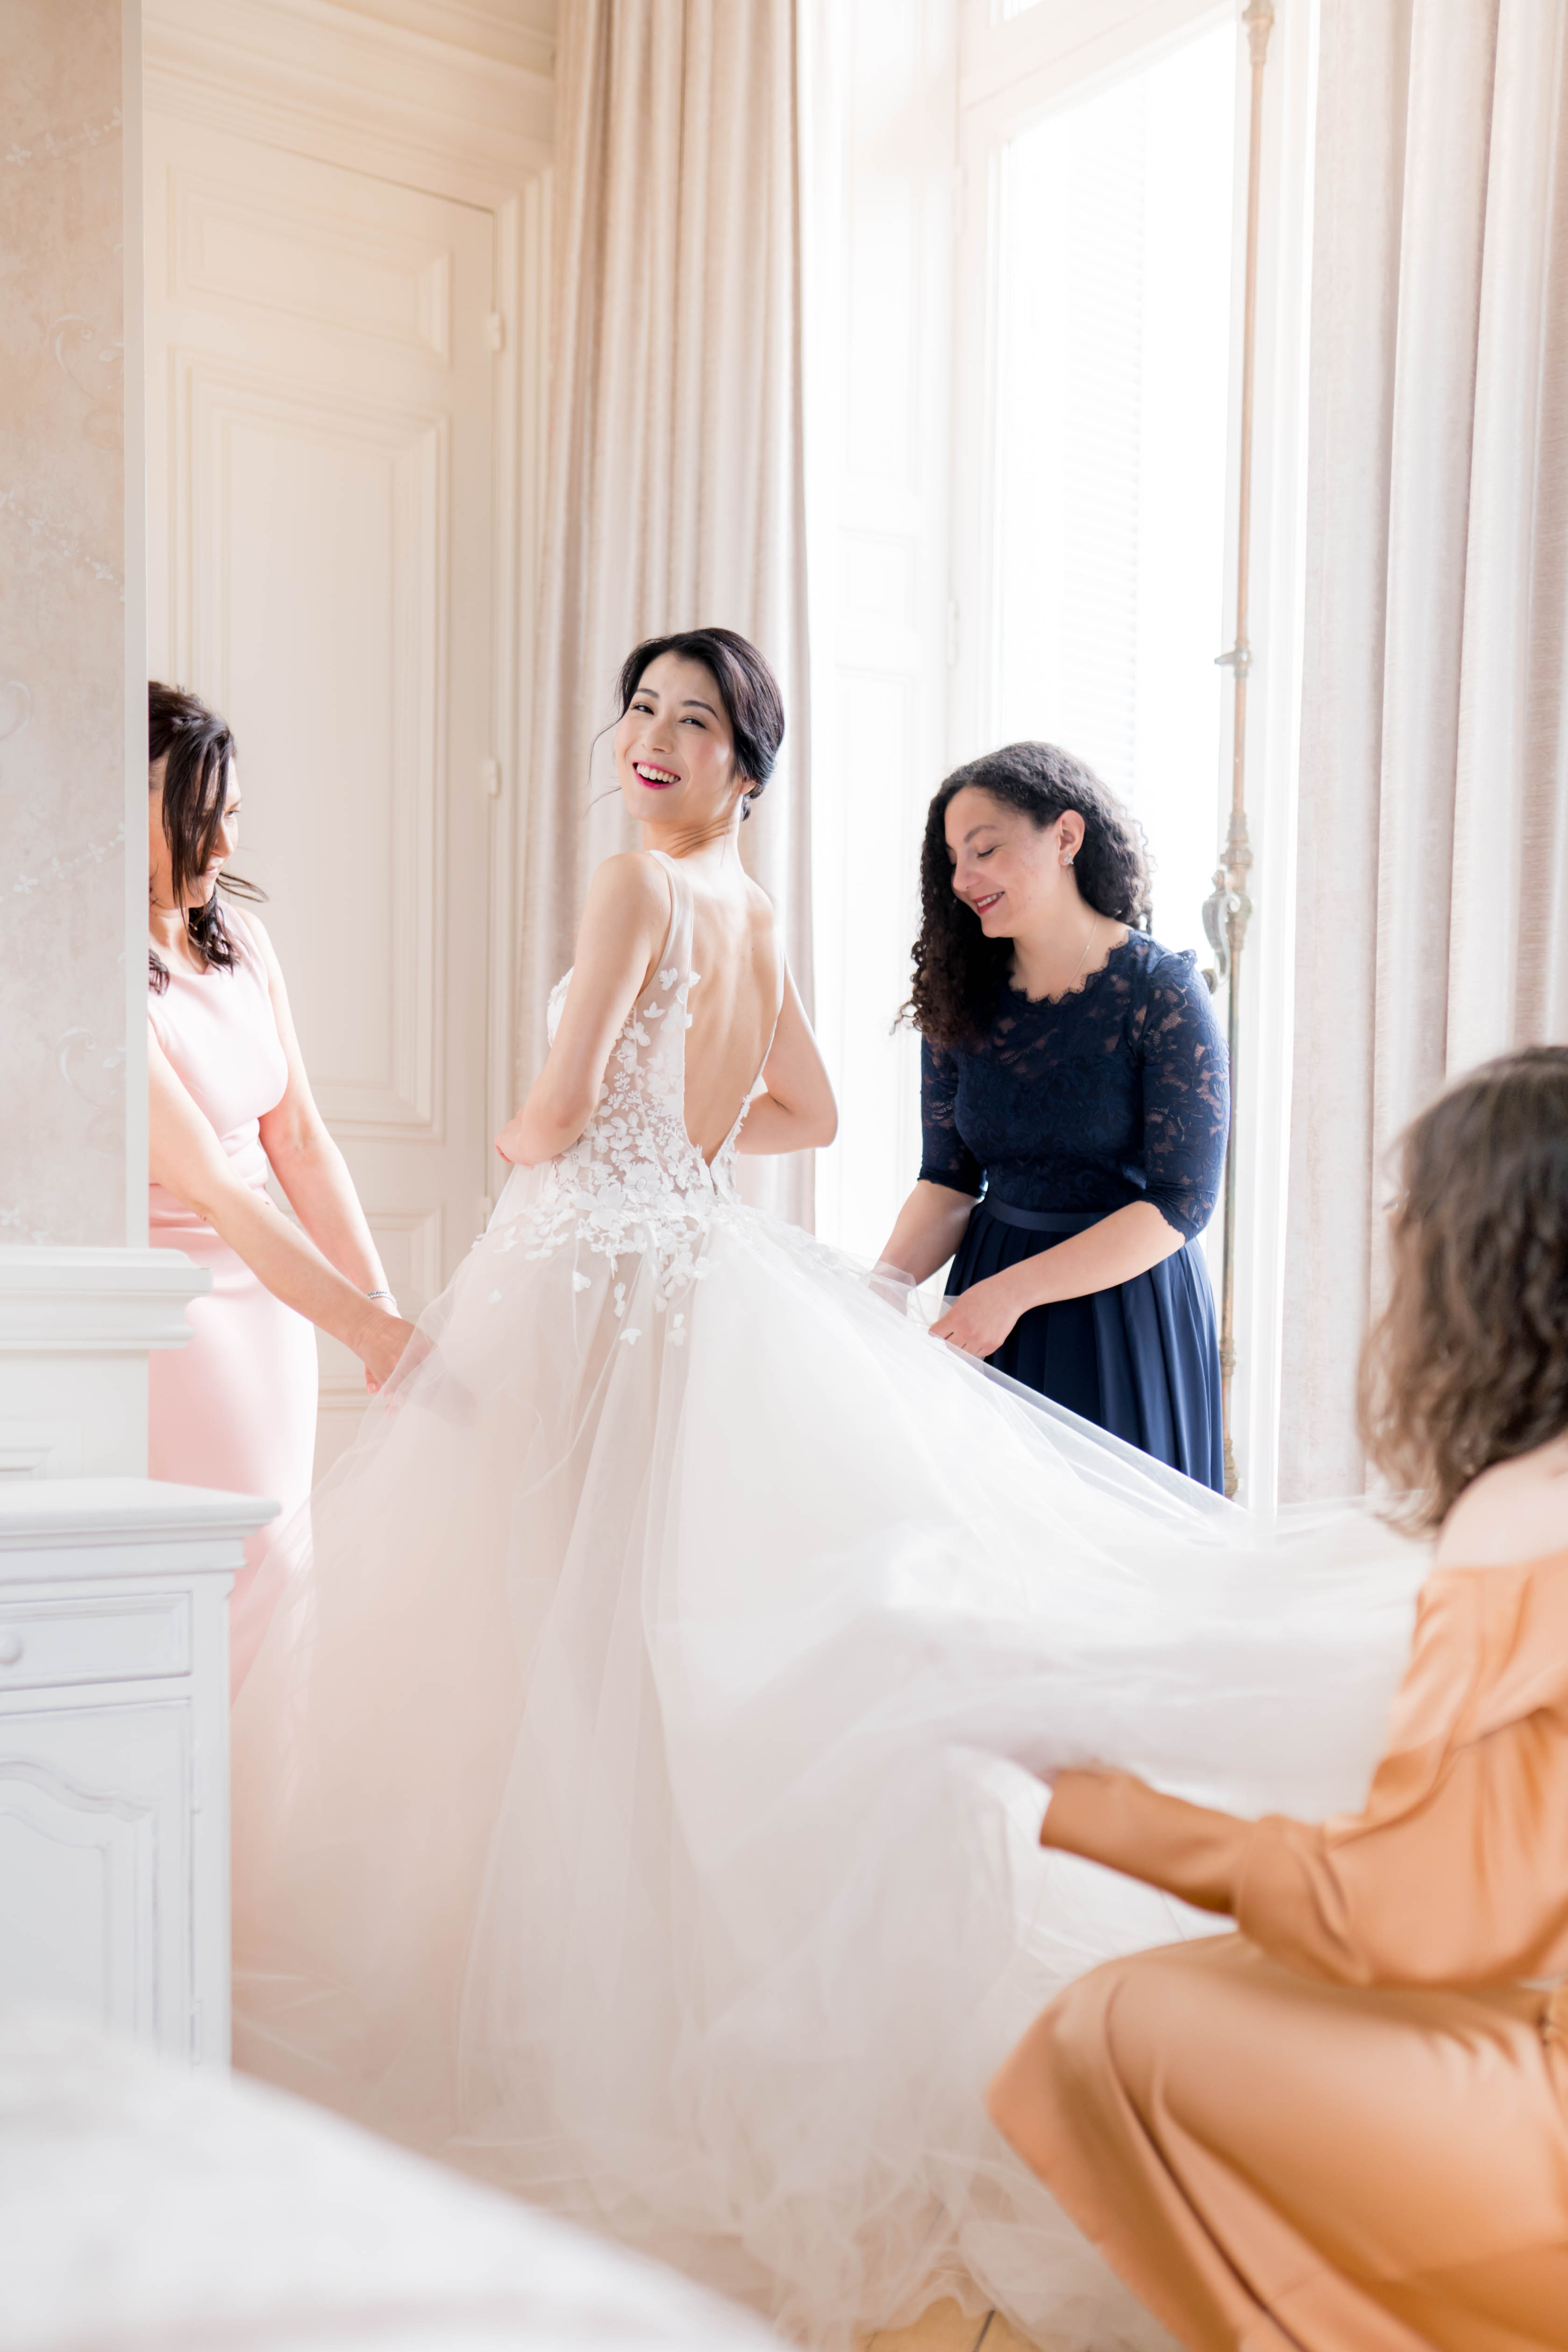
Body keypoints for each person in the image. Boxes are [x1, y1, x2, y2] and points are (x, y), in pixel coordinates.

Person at [229, 630, 1419, 2350]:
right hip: (723, 1267)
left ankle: (574, 2003)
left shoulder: (651, 894)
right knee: (645, 1621)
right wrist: (764, 1216)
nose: (649, 738)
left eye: (687, 718)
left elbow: (547, 1118)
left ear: (739, 762)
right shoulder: (764, 914)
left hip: (660, 1269)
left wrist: (550, 1132)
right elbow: (830, 1120)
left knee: (562, 1622)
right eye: (637, 710)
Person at [988, 1046, 1568, 2352]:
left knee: (1112, 2019)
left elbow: (1404, 1918)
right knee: (1241, 1975)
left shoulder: (1525, 1511)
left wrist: (1095, 1802)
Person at [146, 683, 414, 1689]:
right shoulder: (96, 974)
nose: (220, 850)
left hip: (275, 1302)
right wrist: (370, 1331)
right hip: (179, 1311)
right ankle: (202, 1834)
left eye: (231, 820)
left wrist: (376, 1305)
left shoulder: (242, 942)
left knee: (280, 1568)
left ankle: (255, 1833)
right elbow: (214, 1189)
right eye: (194, 822)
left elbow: (299, 1138)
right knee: (235, 1567)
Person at [878, 745, 1227, 1491]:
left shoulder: (1161, 992)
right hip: (985, 1307)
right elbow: (945, 1182)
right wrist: (879, 1291)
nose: (963, 880)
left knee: (1125, 1574)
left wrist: (1015, 1292)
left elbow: (1183, 1201)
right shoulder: (959, 997)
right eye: (951, 859)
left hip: (1125, 1311)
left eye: (986, 850)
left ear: (1066, 837)